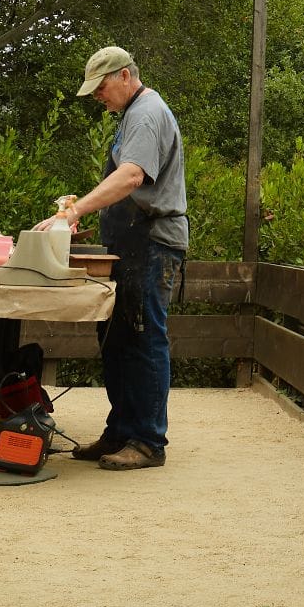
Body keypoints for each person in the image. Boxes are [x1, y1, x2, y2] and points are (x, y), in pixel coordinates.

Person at [33, 45, 185, 471]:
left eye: (100, 88)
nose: (98, 97)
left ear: (124, 76)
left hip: (153, 240)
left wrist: (76, 209)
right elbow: (127, 183)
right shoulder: (133, 114)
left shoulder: (146, 113)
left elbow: (133, 175)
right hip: (133, 240)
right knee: (117, 339)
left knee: (144, 338)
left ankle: (149, 441)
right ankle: (121, 432)